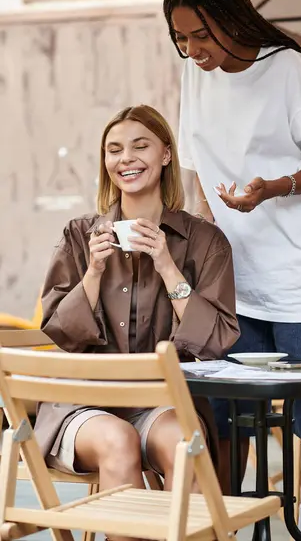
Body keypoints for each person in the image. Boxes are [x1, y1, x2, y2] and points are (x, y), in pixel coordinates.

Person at [163, 0, 301, 541]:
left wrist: (269, 188)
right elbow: (196, 162)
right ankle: (230, 531)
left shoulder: (289, 68)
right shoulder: (197, 74)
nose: (193, 49)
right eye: (181, 39)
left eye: (202, 34)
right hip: (233, 280)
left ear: (230, 18)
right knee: (226, 421)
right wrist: (200, 228)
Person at [34, 105, 239, 541]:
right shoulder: (79, 234)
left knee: (186, 446)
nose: (125, 158)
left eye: (140, 146)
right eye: (114, 150)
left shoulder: (204, 241)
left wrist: (167, 265)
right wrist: (92, 271)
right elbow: (55, 330)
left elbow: (219, 338)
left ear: (166, 154)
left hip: (161, 402)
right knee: (118, 440)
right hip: (83, 404)